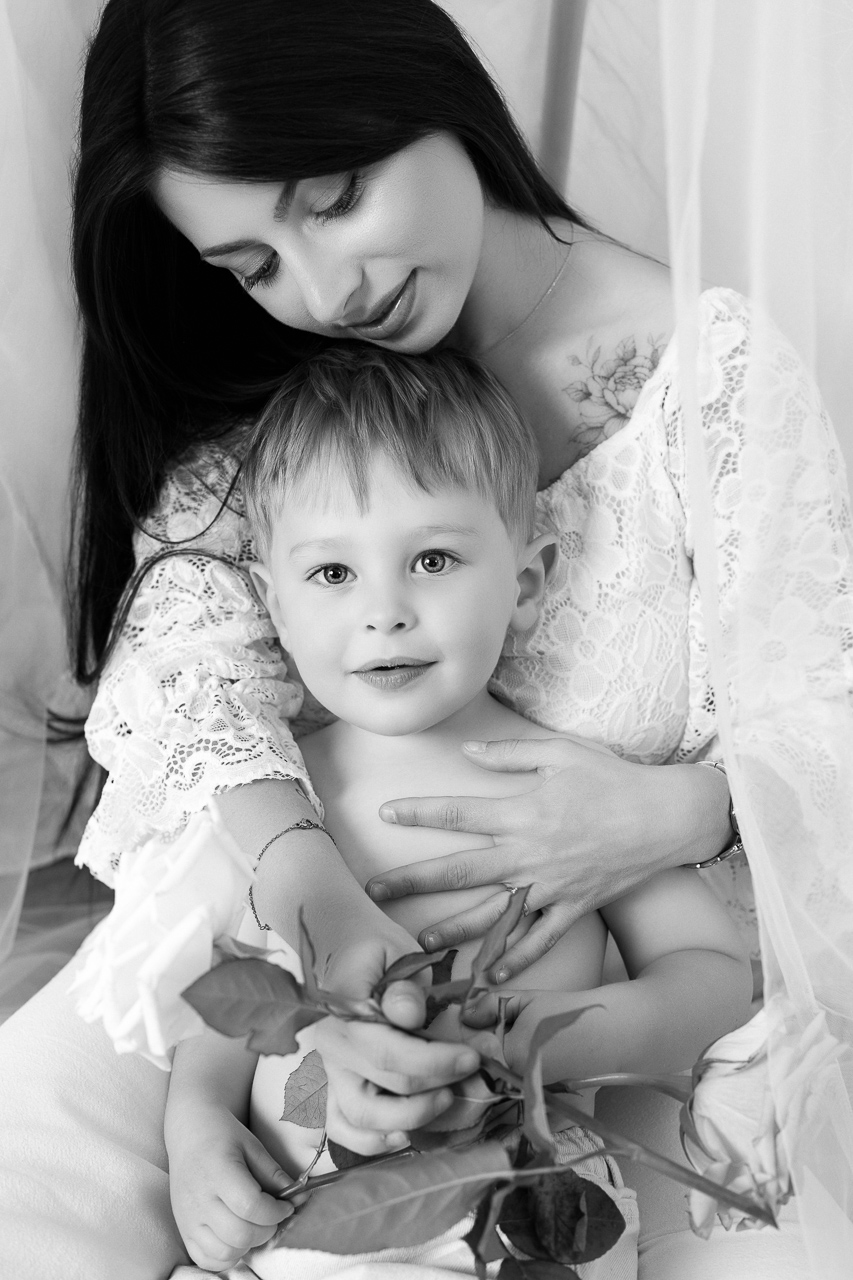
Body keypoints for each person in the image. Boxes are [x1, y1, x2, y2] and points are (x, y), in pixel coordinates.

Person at [0, 1, 846, 1277]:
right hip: (275, 933)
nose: (324, 290)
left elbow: (823, 706)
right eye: (250, 264)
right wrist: (304, 929)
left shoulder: (704, 377)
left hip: (599, 1012)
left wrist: (685, 811)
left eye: (334, 196)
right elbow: (190, 677)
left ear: (413, 84)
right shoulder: (288, 393)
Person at [165, 343, 751, 1275]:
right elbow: (231, 1001)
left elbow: (712, 976)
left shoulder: (568, 788)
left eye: (431, 558)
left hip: (525, 1215)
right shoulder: (278, 798)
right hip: (302, 1222)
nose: (385, 611)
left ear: (523, 588)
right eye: (331, 575)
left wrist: (529, 1037)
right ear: (273, 604)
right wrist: (195, 1132)